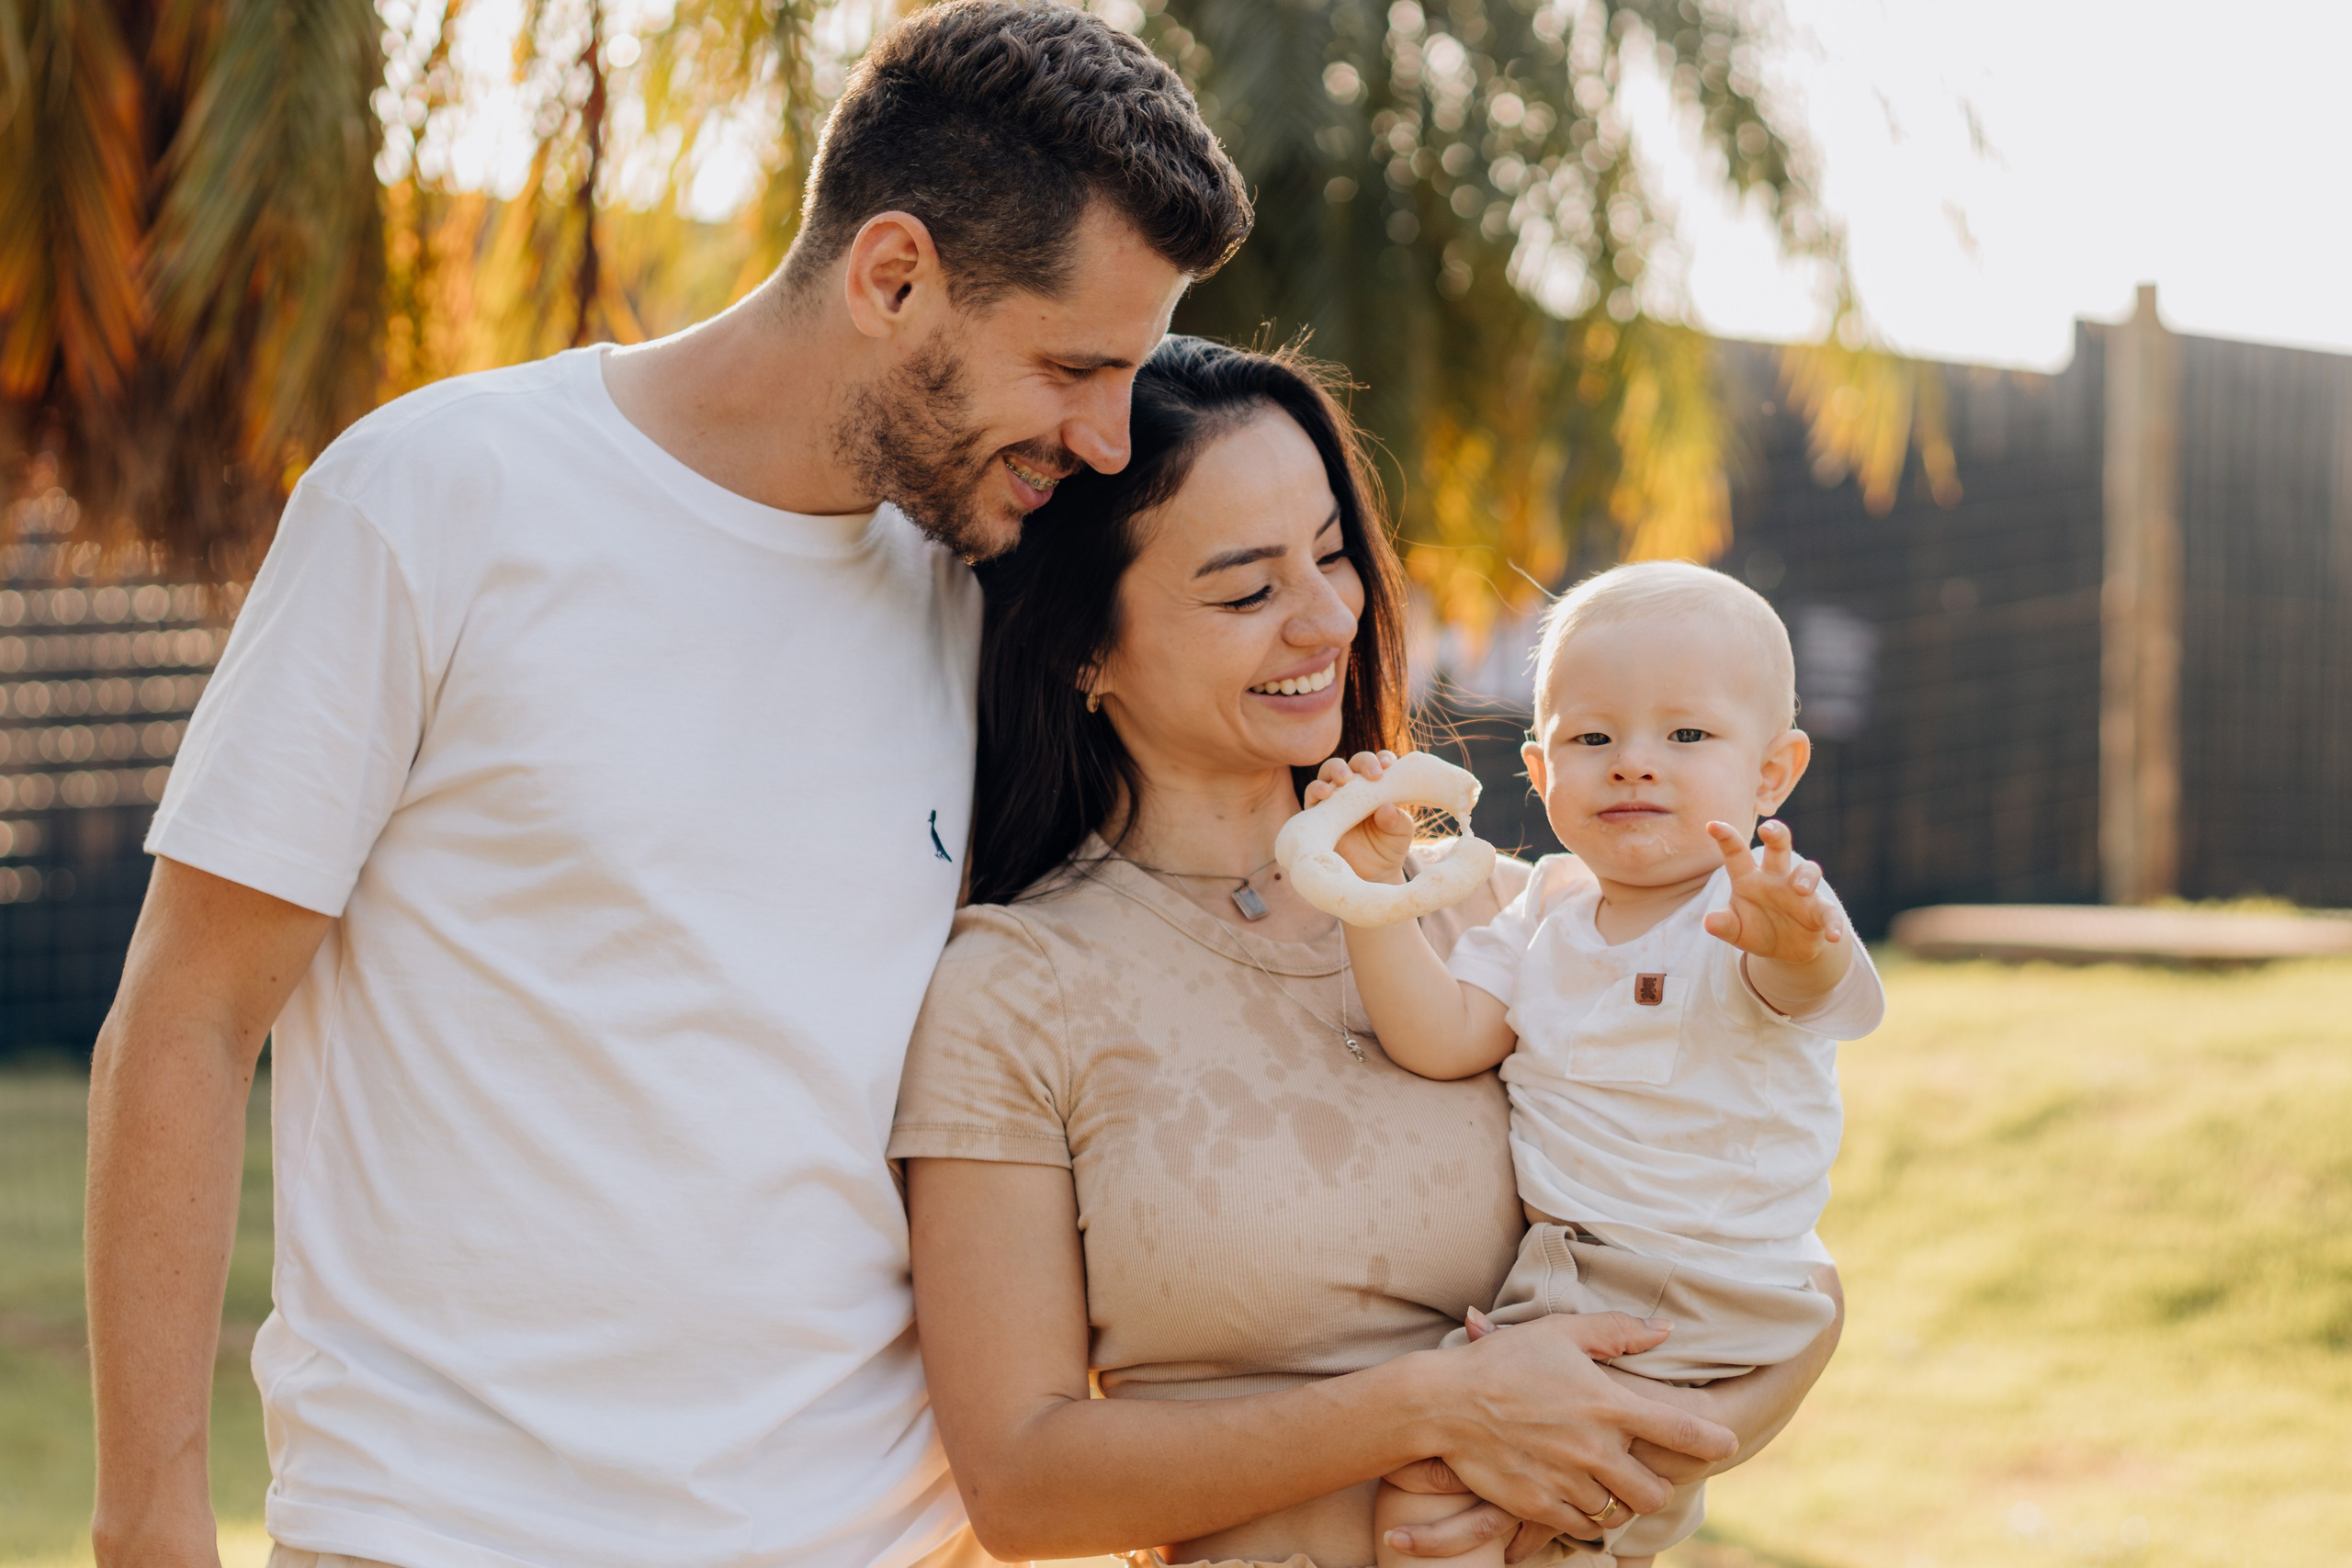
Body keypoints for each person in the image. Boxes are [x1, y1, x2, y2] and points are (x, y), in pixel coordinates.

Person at [80, 6, 1250, 1567]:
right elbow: (188, 1012)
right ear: (892, 277)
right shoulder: (437, 498)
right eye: (1072, 367)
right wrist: (150, 1526)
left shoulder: (984, 594)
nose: (1106, 438)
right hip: (450, 1536)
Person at [891, 339, 1843, 1568]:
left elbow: (1773, 1271)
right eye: (1248, 592)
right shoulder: (1018, 989)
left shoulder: (1513, 915)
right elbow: (1022, 1487)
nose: (1330, 617)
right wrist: (1437, 1408)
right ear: (1085, 644)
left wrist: (1612, 1464)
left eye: (1333, 554)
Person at [1303, 561, 1885, 1568]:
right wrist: (1370, 891)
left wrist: (1797, 943)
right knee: (1526, 1521)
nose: (1633, 765)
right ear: (1539, 771)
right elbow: (1443, 1036)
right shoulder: (1541, 913)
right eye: (1593, 739)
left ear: (1772, 774)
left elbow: (1804, 987)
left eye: (1686, 735)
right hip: (1581, 1281)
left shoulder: (1754, 907)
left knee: (1432, 1499)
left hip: (1681, 1285)